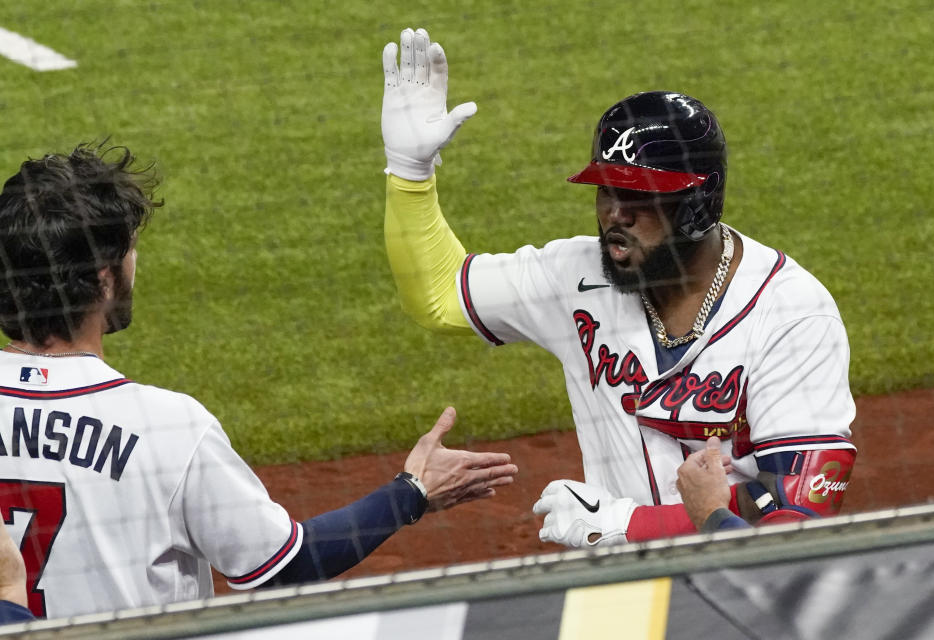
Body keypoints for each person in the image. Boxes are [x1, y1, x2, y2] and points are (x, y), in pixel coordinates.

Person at [380, 28, 855, 547]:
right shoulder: (574, 275)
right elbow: (441, 297)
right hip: (619, 594)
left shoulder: (792, 314)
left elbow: (798, 518)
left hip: (736, 588)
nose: (614, 213)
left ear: (699, 203)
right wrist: (410, 173)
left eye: (639, 195)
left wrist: (628, 526)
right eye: (605, 191)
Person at [0, 143, 519, 619]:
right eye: (130, 250)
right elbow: (284, 565)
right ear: (104, 278)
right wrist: (413, 491)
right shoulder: (167, 428)